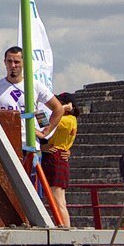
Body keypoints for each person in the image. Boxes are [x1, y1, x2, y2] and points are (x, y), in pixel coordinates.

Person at [0, 46, 64, 148]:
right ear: (5, 62)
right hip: (2, 146)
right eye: (9, 61)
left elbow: (58, 109)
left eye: (17, 62)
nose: (13, 65)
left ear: (23, 62)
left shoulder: (34, 86)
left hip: (28, 145)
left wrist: (45, 132)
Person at [41, 92, 78, 227]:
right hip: (61, 156)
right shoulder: (73, 120)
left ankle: (65, 228)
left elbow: (45, 125)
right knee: (60, 199)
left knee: (58, 200)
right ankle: (64, 227)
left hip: (53, 156)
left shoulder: (64, 120)